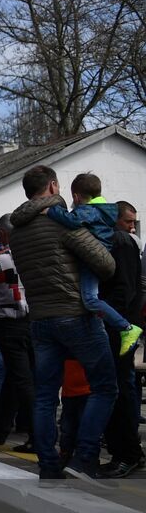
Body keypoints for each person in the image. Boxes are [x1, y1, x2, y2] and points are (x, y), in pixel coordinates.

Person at [8, 164, 117, 482]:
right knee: (105, 387)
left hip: (40, 319)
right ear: (54, 187)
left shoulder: (17, 232)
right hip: (75, 314)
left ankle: (48, 465)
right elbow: (105, 264)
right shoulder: (62, 222)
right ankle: (84, 459)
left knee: (45, 395)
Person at [45, 173, 143, 356]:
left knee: (90, 299)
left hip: (92, 258)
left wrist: (51, 211)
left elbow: (72, 220)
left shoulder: (89, 210)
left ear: (76, 197)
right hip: (100, 257)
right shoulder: (106, 209)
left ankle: (126, 328)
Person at [100, 202, 144, 478]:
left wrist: (112, 321)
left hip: (121, 327)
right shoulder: (115, 241)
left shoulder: (123, 243)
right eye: (128, 221)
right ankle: (127, 451)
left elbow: (125, 290)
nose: (132, 227)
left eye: (133, 222)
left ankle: (127, 453)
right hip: (121, 324)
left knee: (120, 389)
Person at [0, 215, 32, 447]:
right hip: (33, 322)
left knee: (21, 379)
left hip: (9, 324)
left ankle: (37, 435)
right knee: (16, 376)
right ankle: (0, 429)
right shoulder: (36, 255)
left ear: (2, 233)